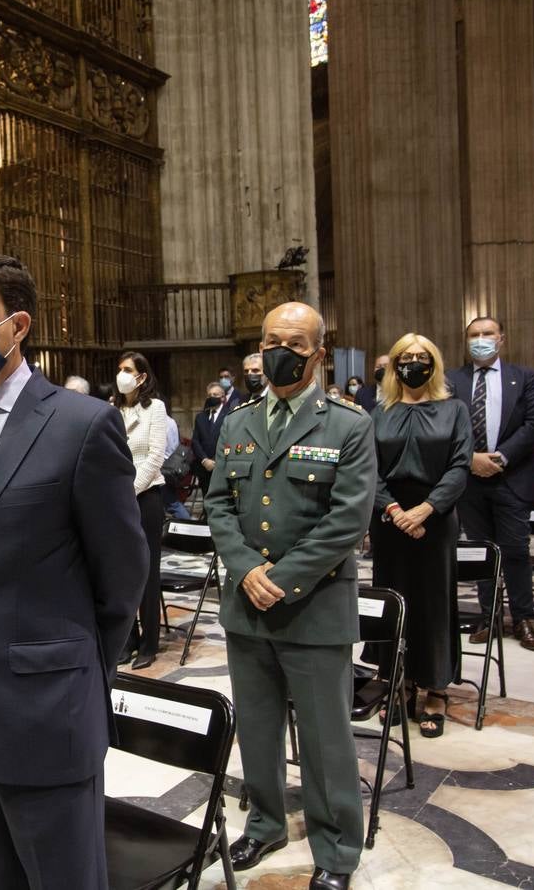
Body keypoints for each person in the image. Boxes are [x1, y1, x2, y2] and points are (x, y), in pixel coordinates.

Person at [0, 249, 146, 890]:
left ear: (17, 325)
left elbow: (122, 573)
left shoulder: (80, 424)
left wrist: (74, 670)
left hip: (46, 710)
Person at [206, 301, 374, 890]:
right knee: (256, 726)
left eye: (295, 344)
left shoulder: (348, 425)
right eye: (271, 340)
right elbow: (219, 503)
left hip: (314, 605)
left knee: (327, 738)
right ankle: (266, 821)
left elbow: (347, 520)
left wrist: (281, 577)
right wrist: (248, 567)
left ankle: (336, 848)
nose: (280, 352)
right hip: (246, 605)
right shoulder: (237, 420)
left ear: (318, 353)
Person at [369, 334, 472, 739]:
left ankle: (435, 688)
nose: (414, 362)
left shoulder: (454, 409)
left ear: (435, 363)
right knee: (393, 599)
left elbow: (461, 465)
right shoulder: (379, 412)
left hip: (435, 517)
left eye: (422, 357)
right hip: (390, 517)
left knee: (433, 601)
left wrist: (426, 509)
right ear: (394, 365)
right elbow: (368, 470)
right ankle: (398, 681)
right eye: (406, 357)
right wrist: (394, 510)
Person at [445, 316, 534, 652]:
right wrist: (471, 458)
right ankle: (489, 615)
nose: (481, 339)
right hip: (470, 479)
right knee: (480, 551)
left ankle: (523, 617)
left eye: (487, 334)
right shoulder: (452, 380)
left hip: (512, 476)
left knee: (516, 550)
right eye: (474, 335)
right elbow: (445, 424)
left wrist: (500, 457)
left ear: (501, 338)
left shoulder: (524, 377)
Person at [114, 350, 168, 671]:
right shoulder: (112, 409)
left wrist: (130, 490)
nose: (122, 374)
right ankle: (127, 639)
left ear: (142, 376)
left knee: (147, 572)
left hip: (146, 496)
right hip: (118, 499)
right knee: (122, 573)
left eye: (128, 369)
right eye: (119, 368)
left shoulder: (155, 408)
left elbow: (156, 455)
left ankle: (149, 643)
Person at [191, 380, 231, 495]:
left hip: (221, 466)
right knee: (206, 499)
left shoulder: (230, 415)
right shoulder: (200, 417)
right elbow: (195, 441)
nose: (212, 397)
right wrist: (204, 460)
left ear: (223, 398)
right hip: (204, 467)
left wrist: (215, 461)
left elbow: (230, 440)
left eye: (215, 395)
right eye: (209, 395)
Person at [161, 411, 189, 520]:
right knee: (171, 501)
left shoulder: (160, 421)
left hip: (163, 467)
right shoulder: (171, 421)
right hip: (172, 466)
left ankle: (187, 527)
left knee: (172, 503)